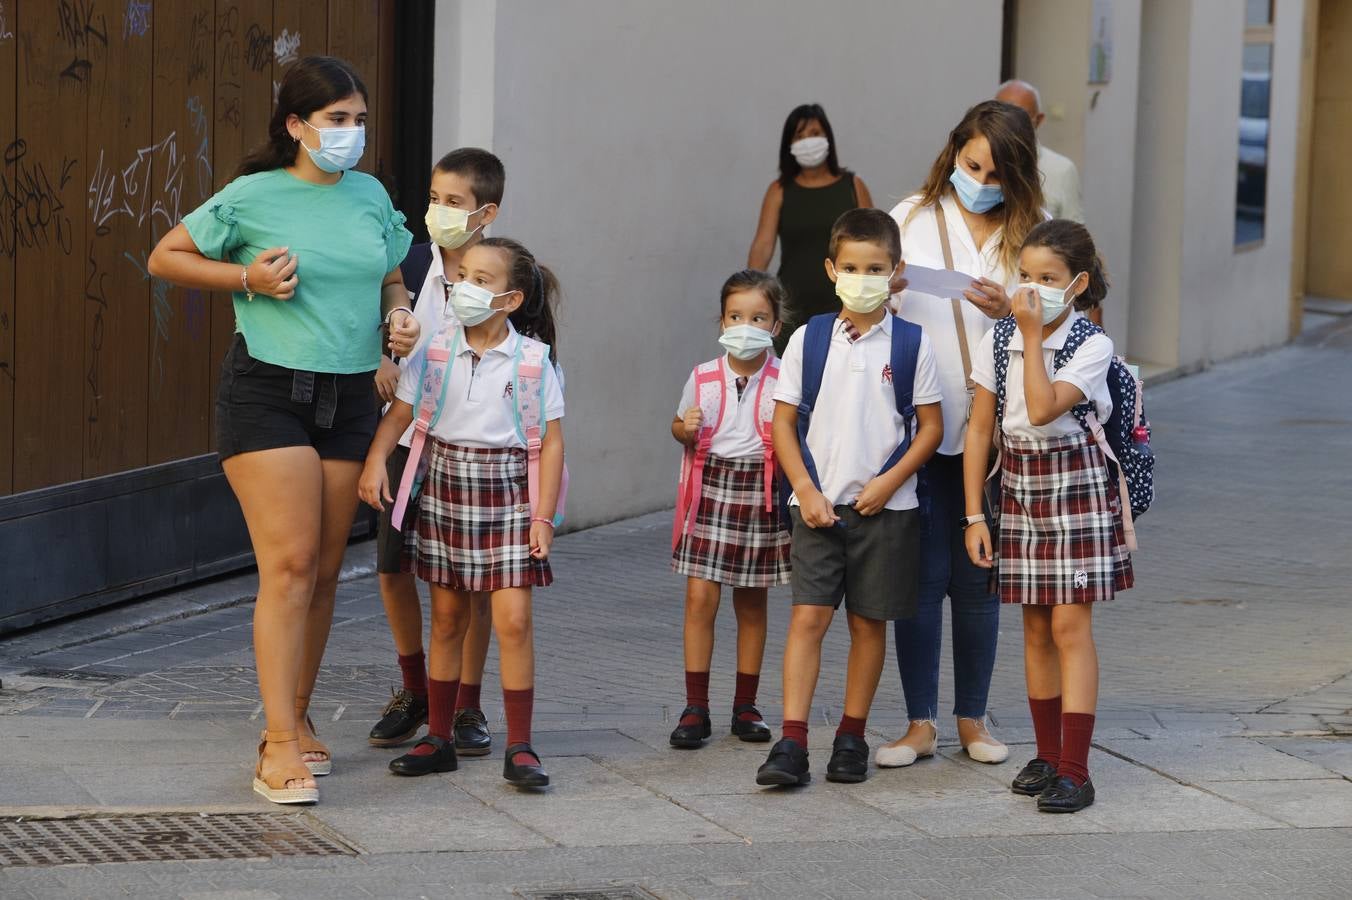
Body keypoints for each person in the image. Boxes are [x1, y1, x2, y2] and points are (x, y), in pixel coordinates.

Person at [147, 56, 416, 805]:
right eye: (336, 120)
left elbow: (391, 271)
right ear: (297, 126)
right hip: (267, 391)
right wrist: (247, 279)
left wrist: (398, 311)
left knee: (326, 572)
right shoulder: (253, 194)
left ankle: (296, 716)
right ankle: (276, 744)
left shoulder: (369, 194)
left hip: (352, 396)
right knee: (291, 566)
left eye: (359, 120)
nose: (350, 134)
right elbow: (164, 255)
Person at [359, 237, 564, 789]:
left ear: (511, 300)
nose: (466, 289)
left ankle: (520, 745)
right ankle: (440, 737)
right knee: (447, 619)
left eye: (483, 280)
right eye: (464, 277)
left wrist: (544, 516)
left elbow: (551, 443)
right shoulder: (433, 351)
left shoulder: (533, 361)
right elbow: (400, 414)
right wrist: (376, 460)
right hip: (445, 487)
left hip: (509, 496)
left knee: (513, 620)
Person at [881, 99, 1045, 770]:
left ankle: (973, 719)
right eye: (971, 163)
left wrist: (1014, 308)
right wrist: (879, 289)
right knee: (919, 578)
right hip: (916, 423)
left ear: (1018, 175)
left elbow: (1068, 317)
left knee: (979, 580)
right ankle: (919, 722)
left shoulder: (1033, 232)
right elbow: (864, 299)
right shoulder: (911, 217)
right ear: (954, 152)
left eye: (995, 170)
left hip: (1000, 435)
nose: (979, 178)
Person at [755, 209, 943, 787]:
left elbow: (930, 427)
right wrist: (806, 490)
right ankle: (791, 742)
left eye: (877, 268)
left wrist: (889, 483)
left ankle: (851, 736)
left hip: (889, 514)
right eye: (854, 267)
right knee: (807, 620)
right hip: (816, 509)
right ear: (832, 269)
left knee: (868, 626)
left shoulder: (913, 344)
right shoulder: (808, 339)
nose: (864, 277)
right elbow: (784, 424)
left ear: (896, 272)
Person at [963, 219, 1132, 813]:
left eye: (1049, 279)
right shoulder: (997, 337)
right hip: (1018, 485)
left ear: (1077, 283)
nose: (1032, 289)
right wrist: (973, 518)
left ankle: (1076, 769)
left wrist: (1032, 337)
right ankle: (1046, 752)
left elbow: (1040, 408)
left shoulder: (1092, 344)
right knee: (1034, 626)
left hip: (1075, 485)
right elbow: (980, 427)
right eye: (1026, 277)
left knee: (1068, 628)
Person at [367, 148, 506, 761]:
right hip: (405, 437)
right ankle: (415, 687)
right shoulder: (411, 263)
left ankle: (468, 700)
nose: (438, 212)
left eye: (453, 202)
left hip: (473, 447)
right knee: (393, 568)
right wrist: (382, 356)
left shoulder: (499, 270)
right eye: (433, 198)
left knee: (469, 582)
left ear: (486, 212)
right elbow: (374, 322)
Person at [668, 270, 791, 750]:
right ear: (721, 321)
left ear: (775, 326)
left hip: (761, 492)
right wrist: (686, 428)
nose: (746, 325)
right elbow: (678, 426)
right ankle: (695, 705)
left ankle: (746, 704)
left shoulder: (785, 378)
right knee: (700, 598)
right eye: (737, 316)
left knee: (752, 601)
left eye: (758, 317)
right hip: (711, 489)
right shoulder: (702, 377)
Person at [747, 104, 873, 353]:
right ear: (789, 145)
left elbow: (875, 242)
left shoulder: (852, 185)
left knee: (845, 374)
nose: (808, 141)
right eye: (799, 136)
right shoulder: (779, 191)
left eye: (815, 133)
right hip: (794, 308)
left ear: (828, 138)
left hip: (846, 303)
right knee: (797, 383)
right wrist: (750, 293)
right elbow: (763, 246)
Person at [995, 79, 1084, 223]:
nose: (1009, 124)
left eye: (1020, 116)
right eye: (1001, 114)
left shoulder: (1062, 170)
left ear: (1039, 119)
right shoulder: (983, 162)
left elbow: (1074, 235)